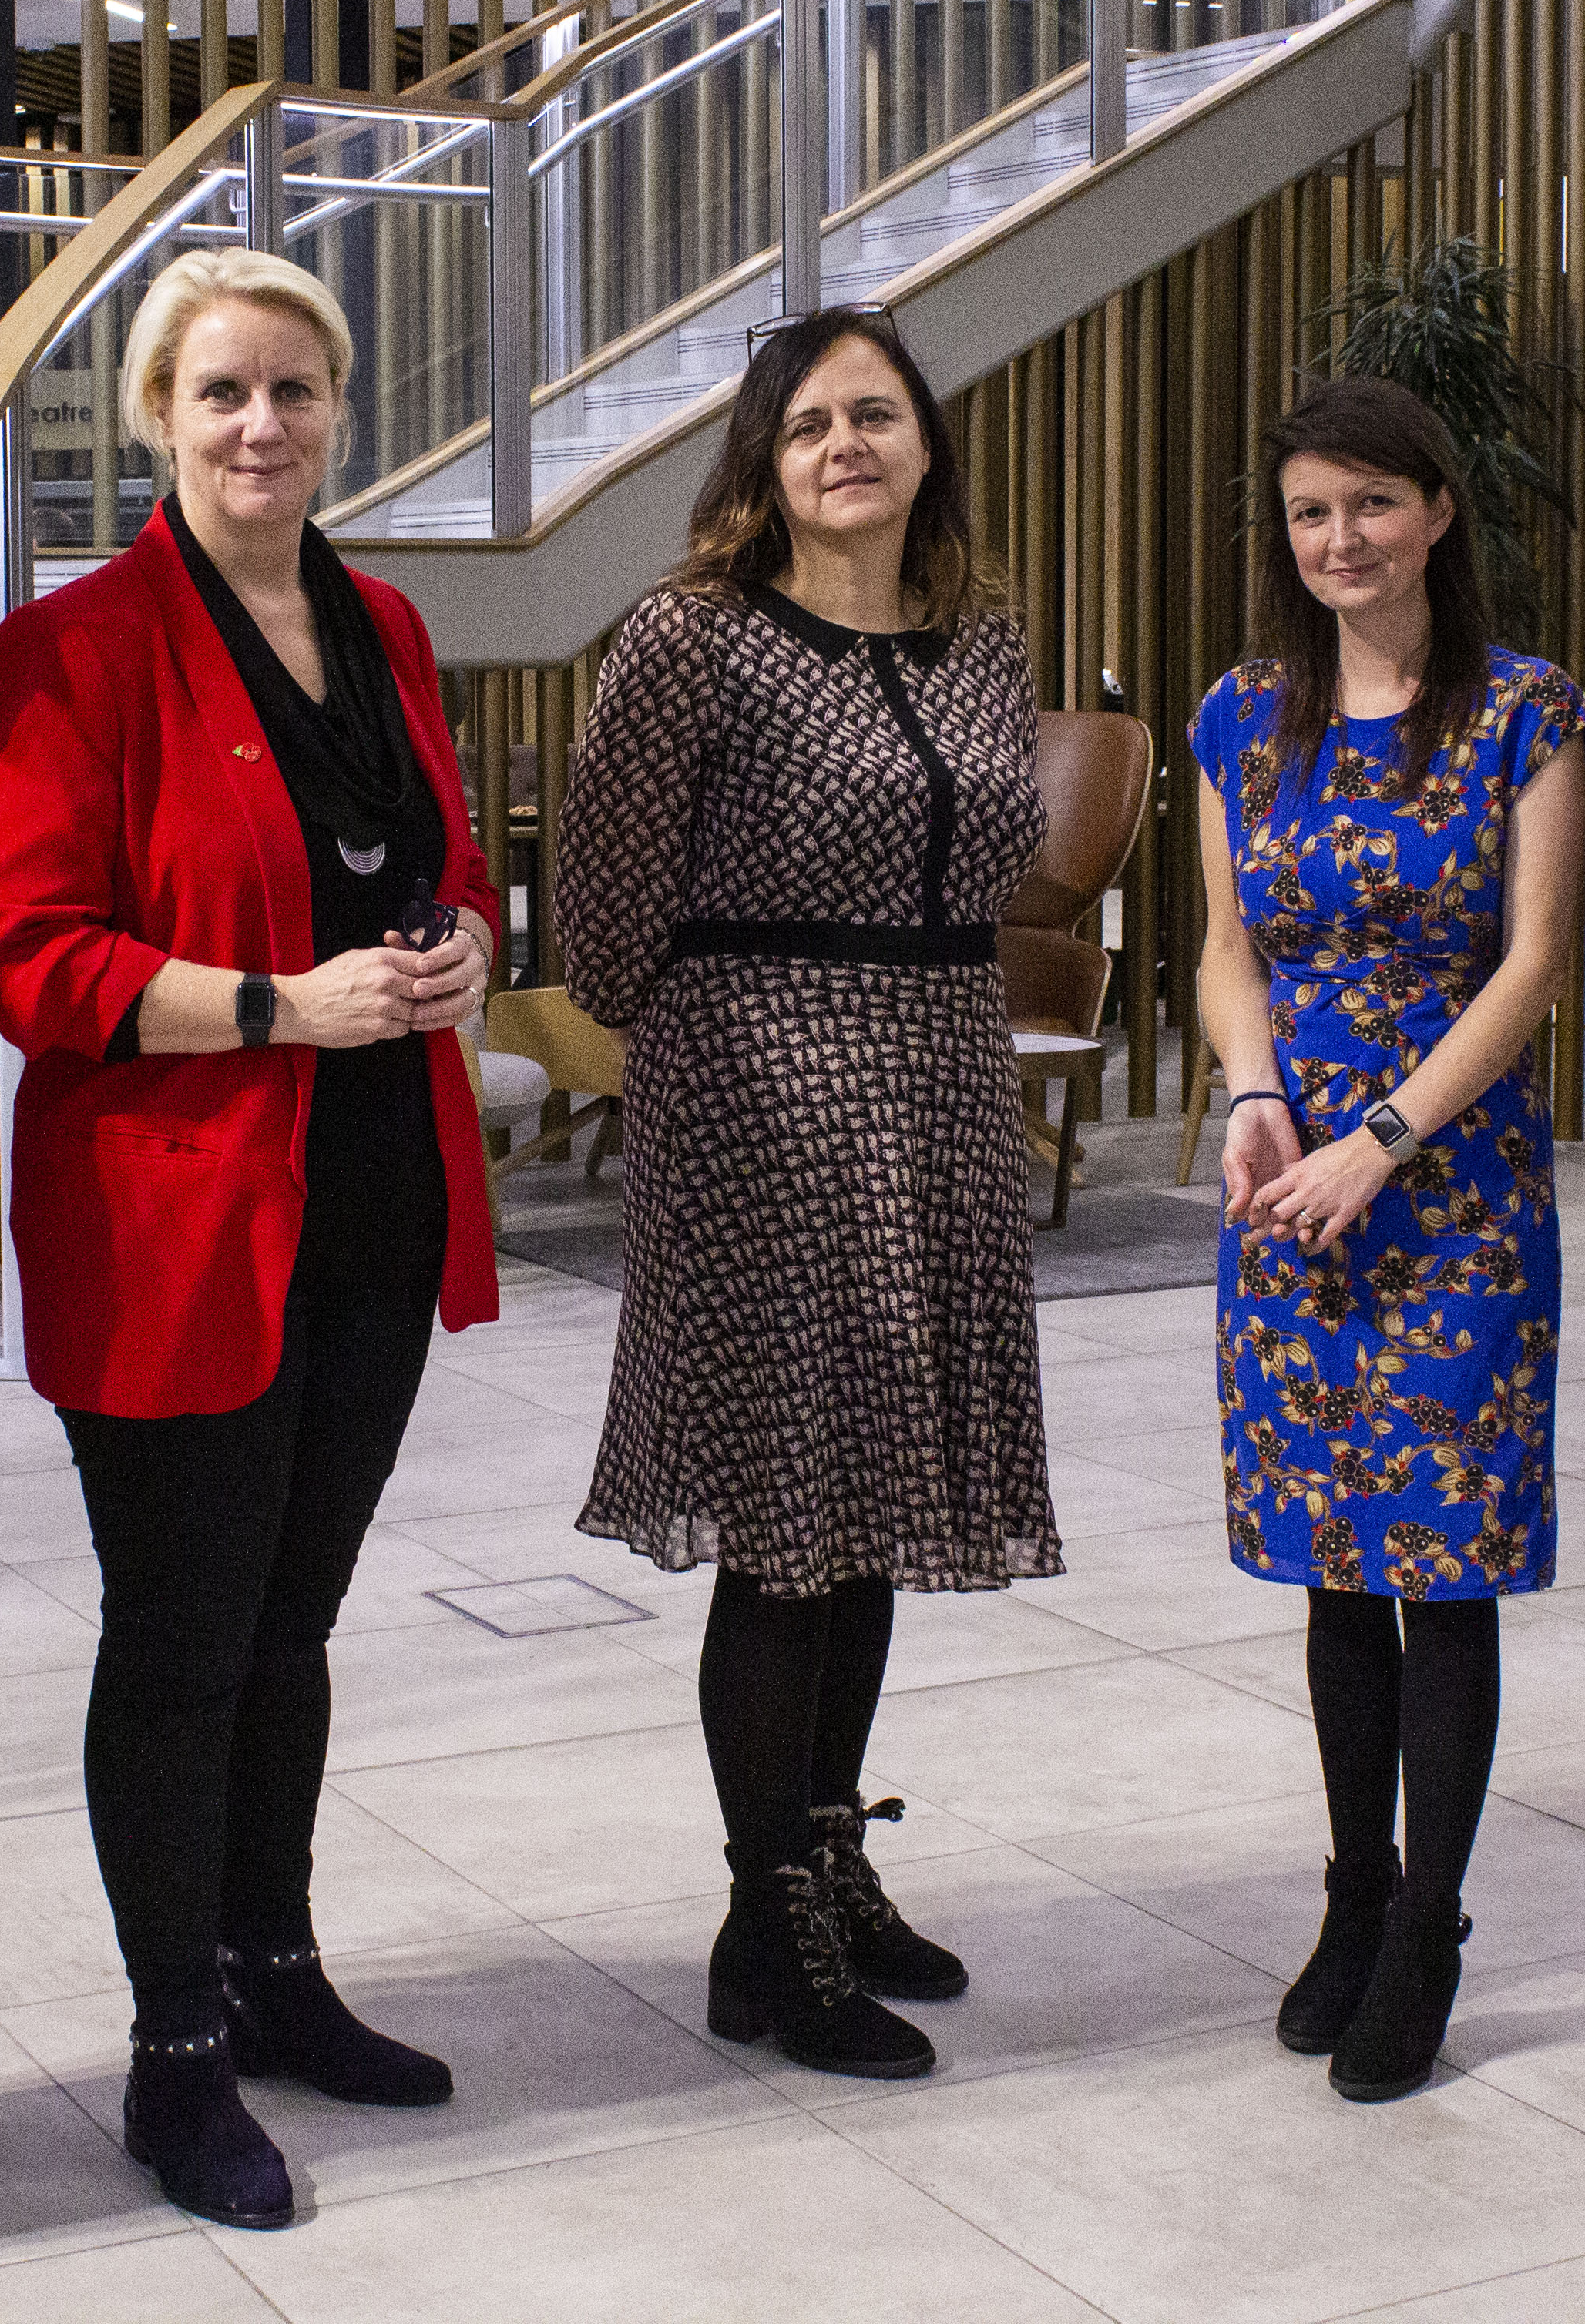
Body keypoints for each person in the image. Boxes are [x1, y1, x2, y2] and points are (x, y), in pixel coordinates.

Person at [0, 249, 500, 2231]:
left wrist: (459, 945)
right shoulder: (73, 649)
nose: (260, 427)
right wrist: (279, 1005)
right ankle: (172, 2048)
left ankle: (276, 1976)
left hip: (369, 1197)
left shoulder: (387, 626)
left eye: (294, 392)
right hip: (178, 1216)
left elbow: (436, 859)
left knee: (294, 1626)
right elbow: (31, 959)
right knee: (184, 1642)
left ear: (337, 410)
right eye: (220, 395)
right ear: (156, 420)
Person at [557, 305, 1057, 2083]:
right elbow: (602, 926)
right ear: (762, 468)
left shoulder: (978, 638)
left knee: (871, 1511)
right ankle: (766, 1923)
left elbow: (995, 865)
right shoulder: (692, 637)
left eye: (876, 412)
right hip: (758, 1100)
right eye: (807, 424)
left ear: (926, 438)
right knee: (782, 1531)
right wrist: (740, 1038)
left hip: (935, 1087)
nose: (846, 443)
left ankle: (828, 1861)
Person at [1189, 376, 1585, 2104]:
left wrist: (1383, 1137)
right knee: (1332, 1563)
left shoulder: (1526, 712)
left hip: (1451, 1195)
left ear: (1437, 509)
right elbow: (1222, 943)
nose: (1336, 539)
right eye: (1307, 514)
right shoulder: (1240, 717)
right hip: (1289, 1188)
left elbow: (1533, 964)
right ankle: (1351, 1898)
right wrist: (1249, 1094)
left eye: (1368, 503)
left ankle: (1429, 1925)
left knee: (1443, 1571)